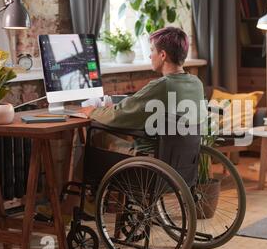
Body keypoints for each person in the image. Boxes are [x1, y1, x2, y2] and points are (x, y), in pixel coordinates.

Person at [38, 27, 207, 223]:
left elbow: (120, 116)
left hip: (150, 163)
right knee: (115, 135)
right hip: (181, 162)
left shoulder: (162, 86)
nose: (150, 55)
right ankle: (91, 201)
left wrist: (93, 111)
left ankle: (72, 206)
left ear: (163, 55)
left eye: (152, 50)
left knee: (96, 136)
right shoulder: (195, 83)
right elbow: (138, 110)